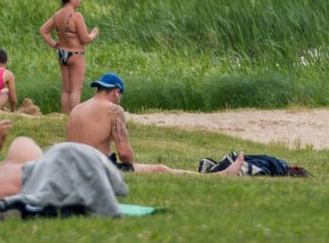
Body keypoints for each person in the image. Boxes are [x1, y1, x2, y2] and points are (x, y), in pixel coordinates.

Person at [66, 72, 243, 175]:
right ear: (117, 93)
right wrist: (130, 166)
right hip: (96, 168)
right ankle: (220, 175)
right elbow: (124, 153)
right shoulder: (113, 110)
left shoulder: (76, 110)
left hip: (71, 166)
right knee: (161, 169)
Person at [39, 0, 98, 114]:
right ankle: (74, 116)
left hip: (62, 54)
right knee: (76, 90)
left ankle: (64, 115)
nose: (80, 0)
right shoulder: (76, 16)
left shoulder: (57, 15)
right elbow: (85, 39)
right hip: (76, 54)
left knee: (66, 89)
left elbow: (43, 30)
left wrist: (54, 44)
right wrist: (94, 33)